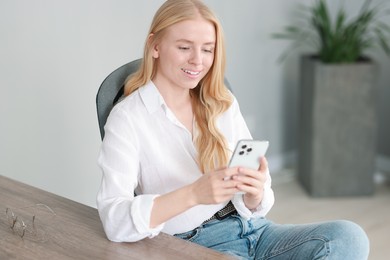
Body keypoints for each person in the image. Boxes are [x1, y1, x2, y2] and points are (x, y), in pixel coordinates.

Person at [96, 0, 370, 259]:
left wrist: (255, 194)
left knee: (348, 237)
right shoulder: (128, 118)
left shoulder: (222, 102)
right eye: (184, 47)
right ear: (155, 45)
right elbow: (114, 219)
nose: (198, 61)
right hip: (190, 243)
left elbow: (257, 199)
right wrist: (193, 194)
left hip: (253, 230)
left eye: (207, 49)